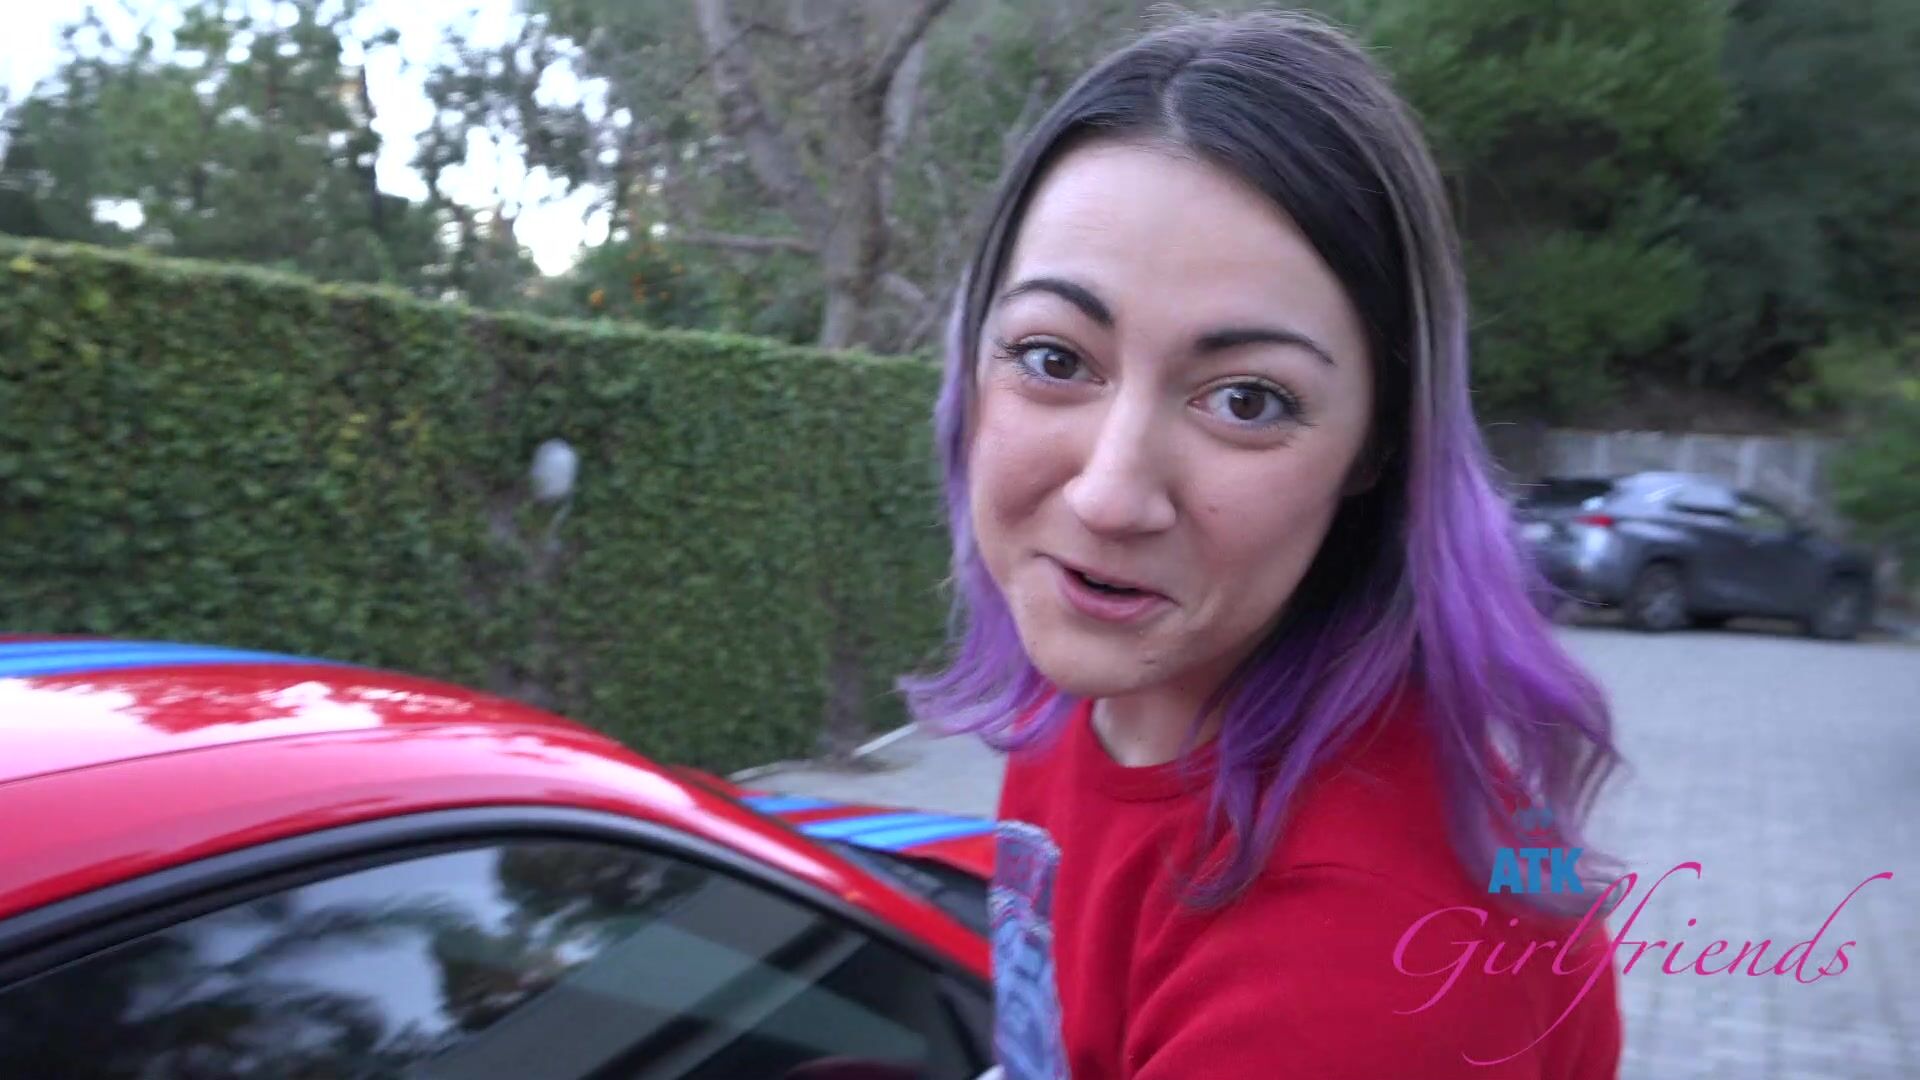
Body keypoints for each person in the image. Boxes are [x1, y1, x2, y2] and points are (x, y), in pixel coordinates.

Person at [899, 9, 1627, 1079]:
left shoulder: (1364, 960)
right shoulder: (1107, 696)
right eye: (1055, 358)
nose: (1110, 494)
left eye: (1246, 399)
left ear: (1378, 446)